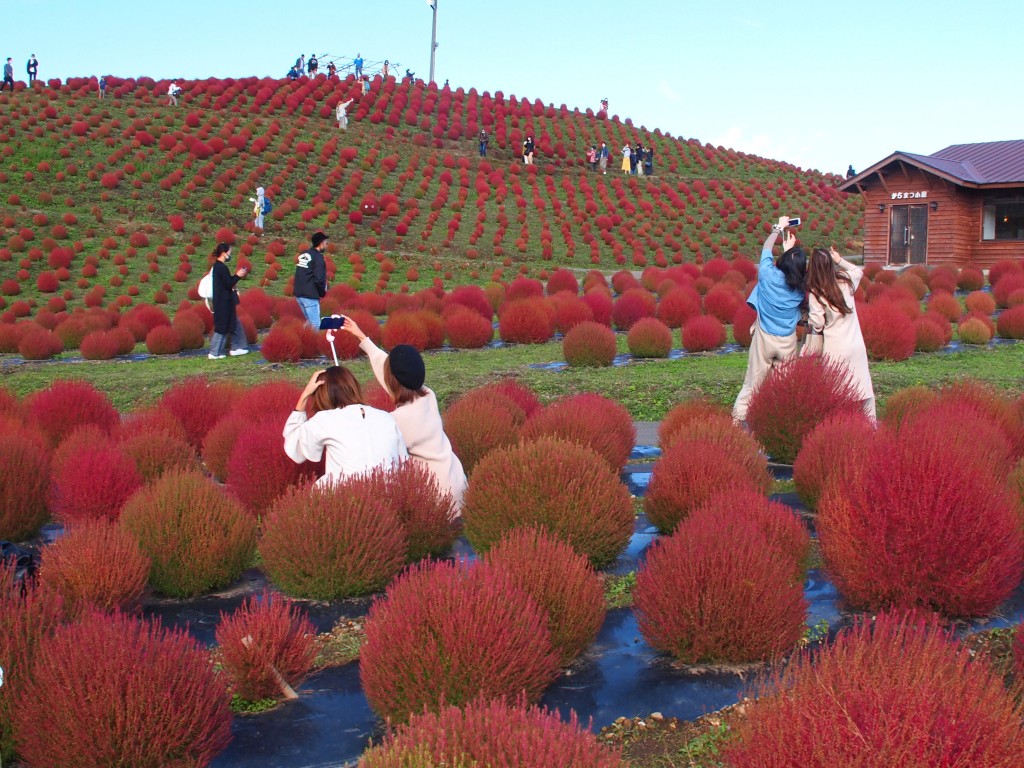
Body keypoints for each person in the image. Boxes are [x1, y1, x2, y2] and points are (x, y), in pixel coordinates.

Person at [337, 316, 468, 513]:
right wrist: (361, 337)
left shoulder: (397, 422)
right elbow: (394, 373)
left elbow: (372, 454)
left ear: (391, 382)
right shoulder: (427, 395)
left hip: (437, 499)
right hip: (458, 483)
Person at [732, 216, 807, 424]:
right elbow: (790, 273)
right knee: (784, 391)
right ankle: (777, 428)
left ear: (782, 262)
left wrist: (778, 228)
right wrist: (789, 252)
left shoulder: (766, 274)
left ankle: (736, 425)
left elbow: (766, 249)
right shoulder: (800, 289)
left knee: (751, 386)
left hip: (764, 339)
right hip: (787, 342)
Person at [283, 367, 408, 486]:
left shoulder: (324, 419)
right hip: (390, 495)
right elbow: (404, 463)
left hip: (347, 496)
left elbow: (295, 447)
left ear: (322, 394)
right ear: (354, 387)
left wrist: (305, 394)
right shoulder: (386, 418)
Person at [806, 246, 875, 421]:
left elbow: (818, 324)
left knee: (837, 393)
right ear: (830, 265)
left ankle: (841, 427)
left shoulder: (816, 291)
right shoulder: (846, 281)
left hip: (835, 349)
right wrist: (839, 260)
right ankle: (870, 429)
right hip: (856, 346)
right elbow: (857, 271)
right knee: (863, 390)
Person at [208, 243, 250, 359]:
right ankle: (214, 352)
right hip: (223, 302)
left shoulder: (219, 267)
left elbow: (227, 283)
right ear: (224, 253)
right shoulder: (220, 267)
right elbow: (229, 283)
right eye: (229, 252)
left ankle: (237, 347)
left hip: (225, 301)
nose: (230, 254)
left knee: (234, 324)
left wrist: (237, 277)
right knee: (222, 327)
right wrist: (238, 275)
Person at [294, 232, 328, 328]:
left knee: (309, 321)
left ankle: (303, 340)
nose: (326, 245)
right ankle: (312, 343)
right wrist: (322, 292)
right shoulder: (318, 258)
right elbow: (319, 279)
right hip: (310, 296)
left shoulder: (304, 254)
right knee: (315, 324)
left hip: (299, 294)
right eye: (326, 242)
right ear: (321, 243)